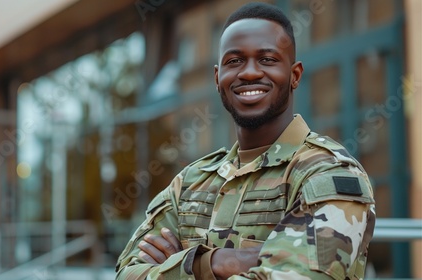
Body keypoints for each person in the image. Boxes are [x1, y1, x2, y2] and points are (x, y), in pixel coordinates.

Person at [116, 2, 376, 279]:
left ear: (294, 75)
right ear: (218, 78)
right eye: (234, 61)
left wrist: (179, 266)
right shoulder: (190, 182)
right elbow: (126, 274)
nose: (249, 72)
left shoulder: (328, 174)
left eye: (267, 59)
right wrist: (216, 262)